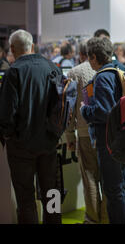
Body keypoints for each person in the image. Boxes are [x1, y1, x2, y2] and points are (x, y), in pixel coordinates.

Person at [0, 30, 62, 224]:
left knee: (25, 197)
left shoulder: (13, 72)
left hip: (21, 146)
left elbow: (7, 113)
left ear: (12, 49)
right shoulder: (52, 67)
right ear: (32, 46)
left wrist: (9, 135)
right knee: (52, 191)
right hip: (49, 143)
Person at [80, 37, 125, 224]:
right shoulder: (121, 70)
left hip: (109, 141)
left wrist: (85, 109)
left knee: (113, 190)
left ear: (93, 57)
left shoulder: (102, 77)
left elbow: (103, 111)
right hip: (123, 137)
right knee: (118, 188)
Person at [65, 41, 109, 224]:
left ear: (82, 54)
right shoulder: (109, 70)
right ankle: (107, 218)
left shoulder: (74, 73)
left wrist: (69, 135)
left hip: (84, 133)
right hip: (107, 133)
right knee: (107, 179)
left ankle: (92, 219)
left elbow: (69, 109)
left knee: (90, 177)